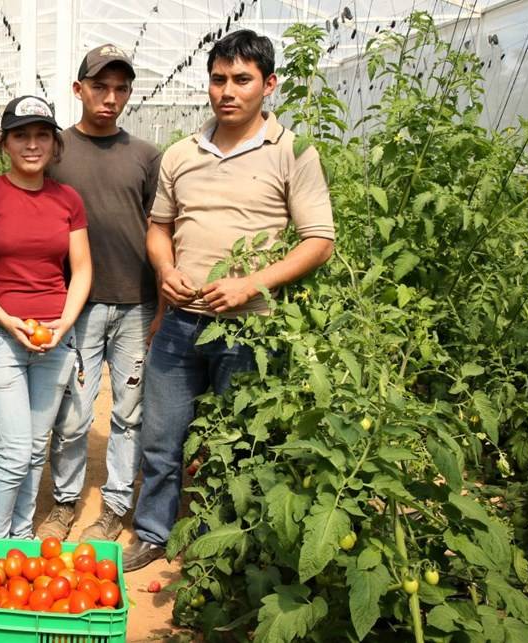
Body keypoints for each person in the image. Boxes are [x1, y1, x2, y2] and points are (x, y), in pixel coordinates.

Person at [124, 29, 336, 571]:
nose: (228, 91)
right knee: (162, 434)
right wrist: (165, 268)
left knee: (240, 442)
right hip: (181, 322)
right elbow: (158, 228)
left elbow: (319, 242)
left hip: (249, 329)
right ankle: (152, 531)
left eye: (242, 79)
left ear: (269, 84)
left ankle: (227, 542)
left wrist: (251, 283)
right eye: (219, 79)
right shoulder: (181, 154)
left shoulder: (292, 152)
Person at [0, 95, 92, 539]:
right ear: (5, 144)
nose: (32, 145)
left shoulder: (68, 199)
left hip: (53, 339)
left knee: (31, 448)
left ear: (54, 143)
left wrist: (64, 325)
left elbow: (82, 267)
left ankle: (22, 539)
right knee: (11, 449)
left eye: (42, 135)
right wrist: (6, 319)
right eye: (21, 136)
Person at [33, 44, 163, 543]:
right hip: (76, 306)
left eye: (121, 88)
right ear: (78, 89)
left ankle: (113, 507)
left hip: (136, 304)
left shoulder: (146, 156)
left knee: (129, 413)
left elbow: (160, 230)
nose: (110, 97)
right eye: (100, 86)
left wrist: (161, 309)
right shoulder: (55, 152)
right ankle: (65, 502)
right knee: (72, 412)